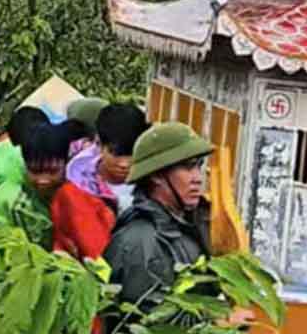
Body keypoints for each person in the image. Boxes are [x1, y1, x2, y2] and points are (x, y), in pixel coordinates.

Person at [104, 122, 213, 307]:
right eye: (187, 167)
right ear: (157, 176)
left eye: (198, 166)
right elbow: (149, 317)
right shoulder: (140, 241)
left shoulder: (187, 224)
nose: (197, 178)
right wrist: (219, 318)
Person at [51, 104, 149, 260]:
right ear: (99, 144)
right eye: (115, 153)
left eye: (132, 154)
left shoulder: (155, 182)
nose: (124, 163)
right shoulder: (75, 189)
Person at [0, 120, 71, 248]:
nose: (43, 180)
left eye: (52, 171)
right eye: (35, 171)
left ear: (66, 163)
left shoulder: (80, 189)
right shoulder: (14, 203)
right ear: (25, 165)